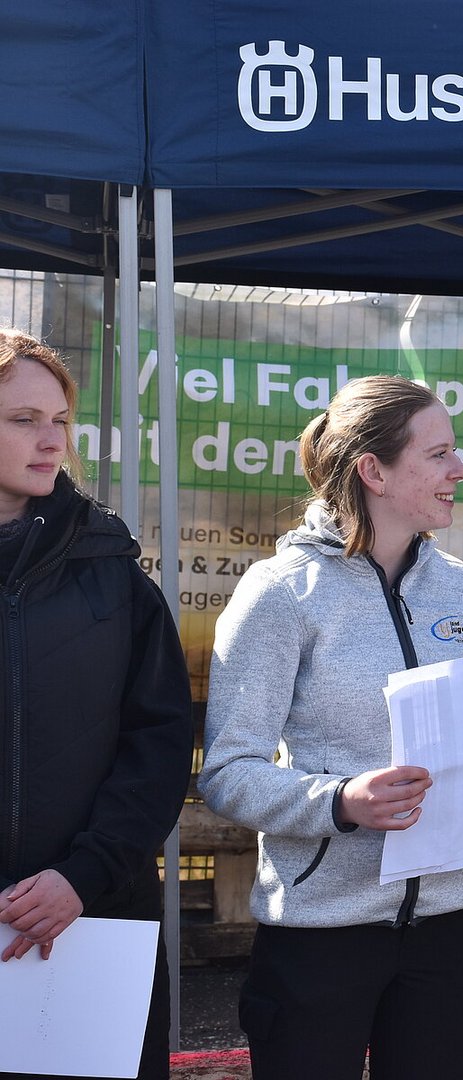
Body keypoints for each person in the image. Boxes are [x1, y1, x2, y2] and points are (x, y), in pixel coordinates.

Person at [199, 375, 463, 1080]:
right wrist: (341, 801)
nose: (460, 469)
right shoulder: (280, 593)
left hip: (453, 922)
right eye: (439, 454)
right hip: (322, 931)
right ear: (373, 472)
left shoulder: (460, 586)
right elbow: (229, 773)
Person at [0, 328, 192, 1080]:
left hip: (93, 922)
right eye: (24, 420)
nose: (52, 441)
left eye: (60, 420)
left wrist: (82, 876)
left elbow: (159, 741)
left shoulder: (111, 571)